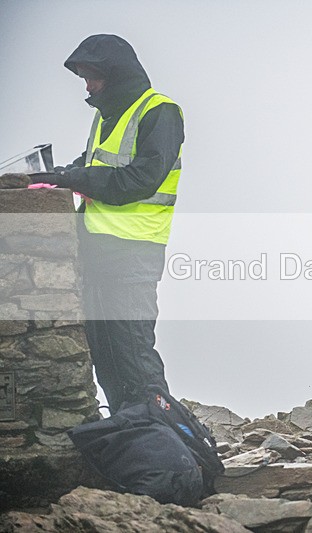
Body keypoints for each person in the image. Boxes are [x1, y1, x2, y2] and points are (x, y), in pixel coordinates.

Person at [33, 34, 184, 413]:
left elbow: (138, 181)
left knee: (132, 351)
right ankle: (130, 433)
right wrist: (60, 175)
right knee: (104, 354)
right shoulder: (106, 116)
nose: (87, 86)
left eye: (92, 77)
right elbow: (91, 165)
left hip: (134, 251)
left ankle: (163, 443)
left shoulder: (160, 111)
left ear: (114, 74)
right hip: (96, 247)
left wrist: (74, 179)